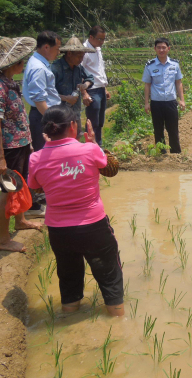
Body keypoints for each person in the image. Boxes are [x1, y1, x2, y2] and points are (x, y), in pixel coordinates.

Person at [27, 105, 124, 316]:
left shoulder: (35, 158)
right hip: (94, 227)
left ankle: (68, 324)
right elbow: (107, 166)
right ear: (73, 125)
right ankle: (118, 322)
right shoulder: (89, 150)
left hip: (59, 232)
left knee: (69, 279)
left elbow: (35, 186)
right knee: (110, 276)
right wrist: (93, 142)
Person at [0, 37, 43, 254]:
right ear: (12, 64)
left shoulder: (9, 83)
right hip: (9, 147)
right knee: (7, 190)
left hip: (20, 143)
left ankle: (21, 220)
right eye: (21, 60)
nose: (24, 63)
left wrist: (28, 142)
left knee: (20, 184)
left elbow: (16, 117)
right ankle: (3, 239)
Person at [22, 30, 62, 217]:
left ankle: (43, 196)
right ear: (46, 47)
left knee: (46, 157)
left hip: (44, 115)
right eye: (57, 48)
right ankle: (34, 204)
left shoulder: (38, 63)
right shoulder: (38, 67)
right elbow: (39, 100)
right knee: (42, 157)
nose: (58, 52)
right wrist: (52, 121)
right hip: (42, 116)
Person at [142, 37, 185, 154]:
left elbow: (178, 83)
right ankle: (161, 154)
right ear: (155, 49)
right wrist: (146, 103)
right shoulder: (150, 65)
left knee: (173, 130)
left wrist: (182, 100)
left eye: (164, 47)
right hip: (156, 103)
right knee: (158, 130)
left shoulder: (175, 65)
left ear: (168, 49)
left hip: (171, 102)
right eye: (159, 47)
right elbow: (147, 85)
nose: (161, 50)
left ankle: (176, 154)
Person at [51, 35, 96, 138]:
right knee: (61, 139)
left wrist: (85, 85)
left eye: (82, 56)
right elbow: (48, 92)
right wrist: (65, 98)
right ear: (69, 53)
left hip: (75, 112)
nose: (81, 59)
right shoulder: (56, 68)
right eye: (79, 56)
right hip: (60, 113)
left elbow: (90, 78)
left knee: (76, 137)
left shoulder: (78, 67)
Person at [82, 26, 110, 146]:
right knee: (92, 123)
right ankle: (91, 148)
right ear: (91, 37)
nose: (101, 42)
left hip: (100, 89)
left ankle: (98, 146)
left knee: (99, 122)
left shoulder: (97, 48)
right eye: (99, 39)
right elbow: (80, 72)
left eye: (103, 39)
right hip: (91, 90)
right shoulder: (84, 50)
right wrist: (84, 93)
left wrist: (105, 87)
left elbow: (99, 69)